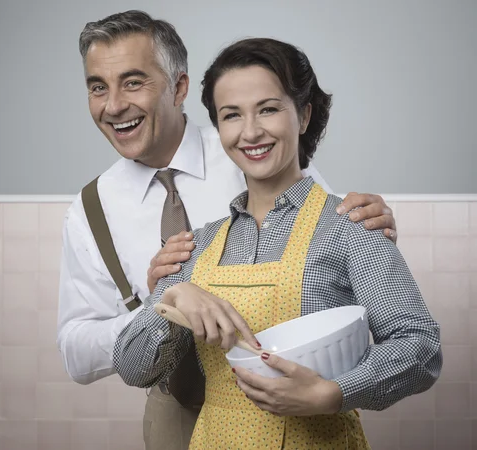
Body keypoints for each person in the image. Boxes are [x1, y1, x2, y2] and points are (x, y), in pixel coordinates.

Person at [58, 10, 399, 450]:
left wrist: (373, 235)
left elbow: (335, 261)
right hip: (174, 411)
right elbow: (75, 352)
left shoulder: (252, 145)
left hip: (291, 400)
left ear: (179, 87)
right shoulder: (89, 210)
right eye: (97, 87)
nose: (114, 105)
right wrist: (160, 308)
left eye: (133, 81)